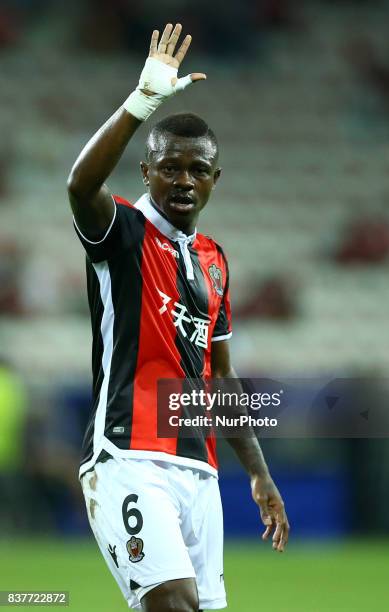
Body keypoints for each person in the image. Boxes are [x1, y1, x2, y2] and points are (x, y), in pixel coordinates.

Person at [67, 22, 289, 612]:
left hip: (199, 468)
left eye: (197, 169)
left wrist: (259, 474)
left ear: (215, 180)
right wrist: (142, 102)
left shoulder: (214, 262)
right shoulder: (123, 233)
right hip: (128, 457)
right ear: (146, 173)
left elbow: (221, 378)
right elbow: (80, 184)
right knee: (172, 604)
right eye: (169, 167)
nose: (183, 180)